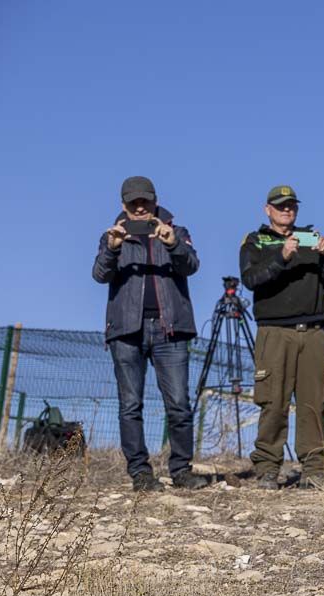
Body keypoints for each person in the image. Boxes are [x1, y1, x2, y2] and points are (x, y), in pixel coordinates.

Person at [92, 176, 208, 492]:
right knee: (130, 404)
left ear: (155, 201)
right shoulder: (111, 237)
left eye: (145, 201)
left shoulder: (177, 232)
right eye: (133, 203)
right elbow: (100, 274)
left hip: (170, 329)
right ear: (123, 206)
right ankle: (141, 474)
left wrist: (172, 243)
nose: (140, 207)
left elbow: (191, 266)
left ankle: (181, 469)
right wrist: (113, 249)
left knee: (179, 403)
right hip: (127, 330)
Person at [239, 185, 324, 489]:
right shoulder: (256, 241)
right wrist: (281, 257)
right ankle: (268, 469)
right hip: (274, 332)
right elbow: (251, 279)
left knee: (313, 403)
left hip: (312, 332)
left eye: (292, 206)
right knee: (273, 401)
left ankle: (313, 470)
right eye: (281, 206)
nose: (288, 211)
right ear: (267, 209)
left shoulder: (310, 239)